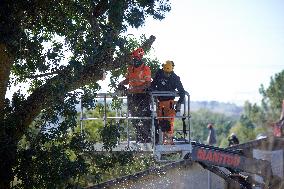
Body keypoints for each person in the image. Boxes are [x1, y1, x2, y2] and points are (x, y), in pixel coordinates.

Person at [118, 47, 152, 143]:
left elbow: (148, 84)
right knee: (133, 116)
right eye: (132, 59)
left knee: (144, 116)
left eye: (135, 59)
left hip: (143, 96)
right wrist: (121, 83)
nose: (133, 60)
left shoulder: (145, 69)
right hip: (132, 95)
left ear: (140, 58)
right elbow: (128, 80)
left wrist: (135, 89)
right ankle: (139, 136)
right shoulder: (130, 68)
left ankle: (146, 137)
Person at [151, 60, 185, 145]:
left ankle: (169, 141)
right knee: (160, 122)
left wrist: (179, 103)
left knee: (169, 122)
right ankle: (161, 141)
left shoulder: (175, 78)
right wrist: (152, 92)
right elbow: (153, 85)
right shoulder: (159, 74)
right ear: (163, 69)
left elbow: (182, 92)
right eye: (166, 72)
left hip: (169, 103)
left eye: (169, 73)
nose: (167, 74)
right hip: (160, 103)